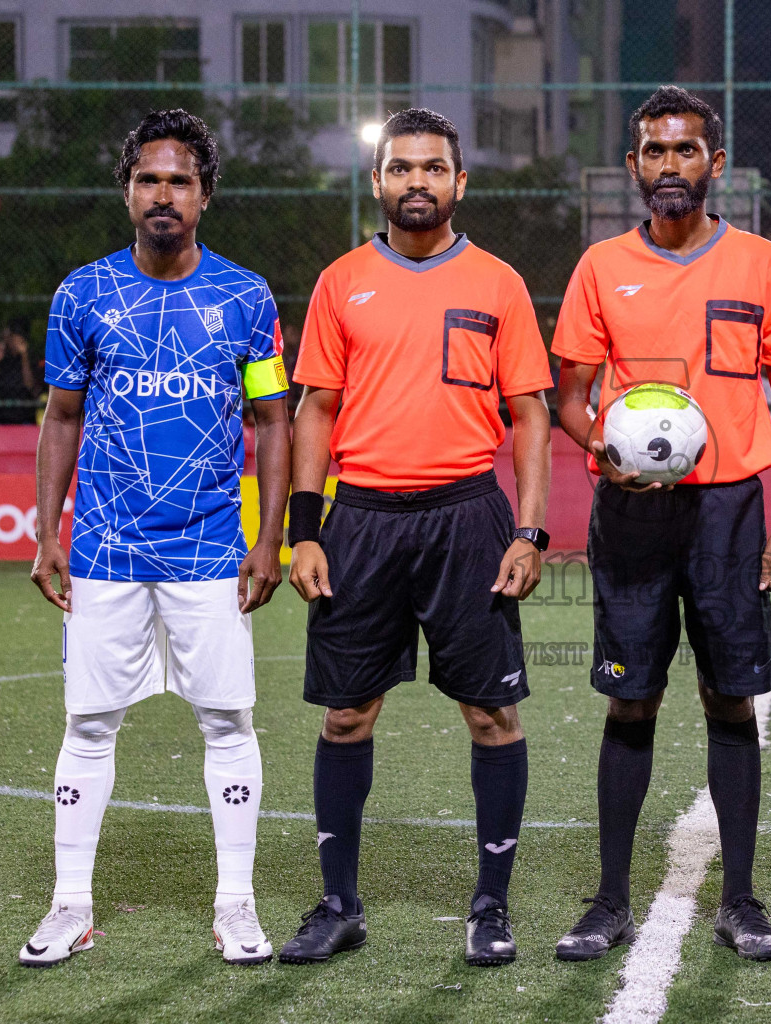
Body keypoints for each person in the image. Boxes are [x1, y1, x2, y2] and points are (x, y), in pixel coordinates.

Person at [278, 108, 553, 969]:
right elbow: (314, 408)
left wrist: (530, 529)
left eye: (434, 168)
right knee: (348, 715)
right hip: (359, 520)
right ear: (379, 181)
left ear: (459, 183)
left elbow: (531, 416)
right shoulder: (341, 281)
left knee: (491, 714)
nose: (418, 182)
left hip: (468, 518)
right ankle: (339, 905)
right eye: (402, 168)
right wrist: (304, 530)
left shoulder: (499, 283)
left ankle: (491, 907)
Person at [22, 109, 290, 967]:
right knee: (88, 724)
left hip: (210, 547)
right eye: (148, 179)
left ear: (205, 195)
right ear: (128, 192)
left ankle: (236, 906)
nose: (162, 193)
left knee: (227, 720)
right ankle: (71, 905)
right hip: (104, 546)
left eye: (179, 179)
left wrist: (269, 537)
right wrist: (46, 533)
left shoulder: (245, 297)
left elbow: (274, 421)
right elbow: (61, 417)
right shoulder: (82, 293)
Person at [551, 85, 771, 963]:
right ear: (633, 168)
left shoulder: (762, 264)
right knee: (632, 695)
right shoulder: (599, 267)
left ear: (716, 165)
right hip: (631, 509)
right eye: (655, 152)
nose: (670, 166)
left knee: (730, 696)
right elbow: (570, 397)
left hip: (732, 510)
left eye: (686, 150)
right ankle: (610, 899)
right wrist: (602, 449)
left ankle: (740, 900)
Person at [0, 319, 42, 425]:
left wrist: (24, 355)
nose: (14, 341)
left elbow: (30, 385)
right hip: (1, 416)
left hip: (24, 417)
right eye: (12, 337)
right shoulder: (2, 357)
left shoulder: (31, 359)